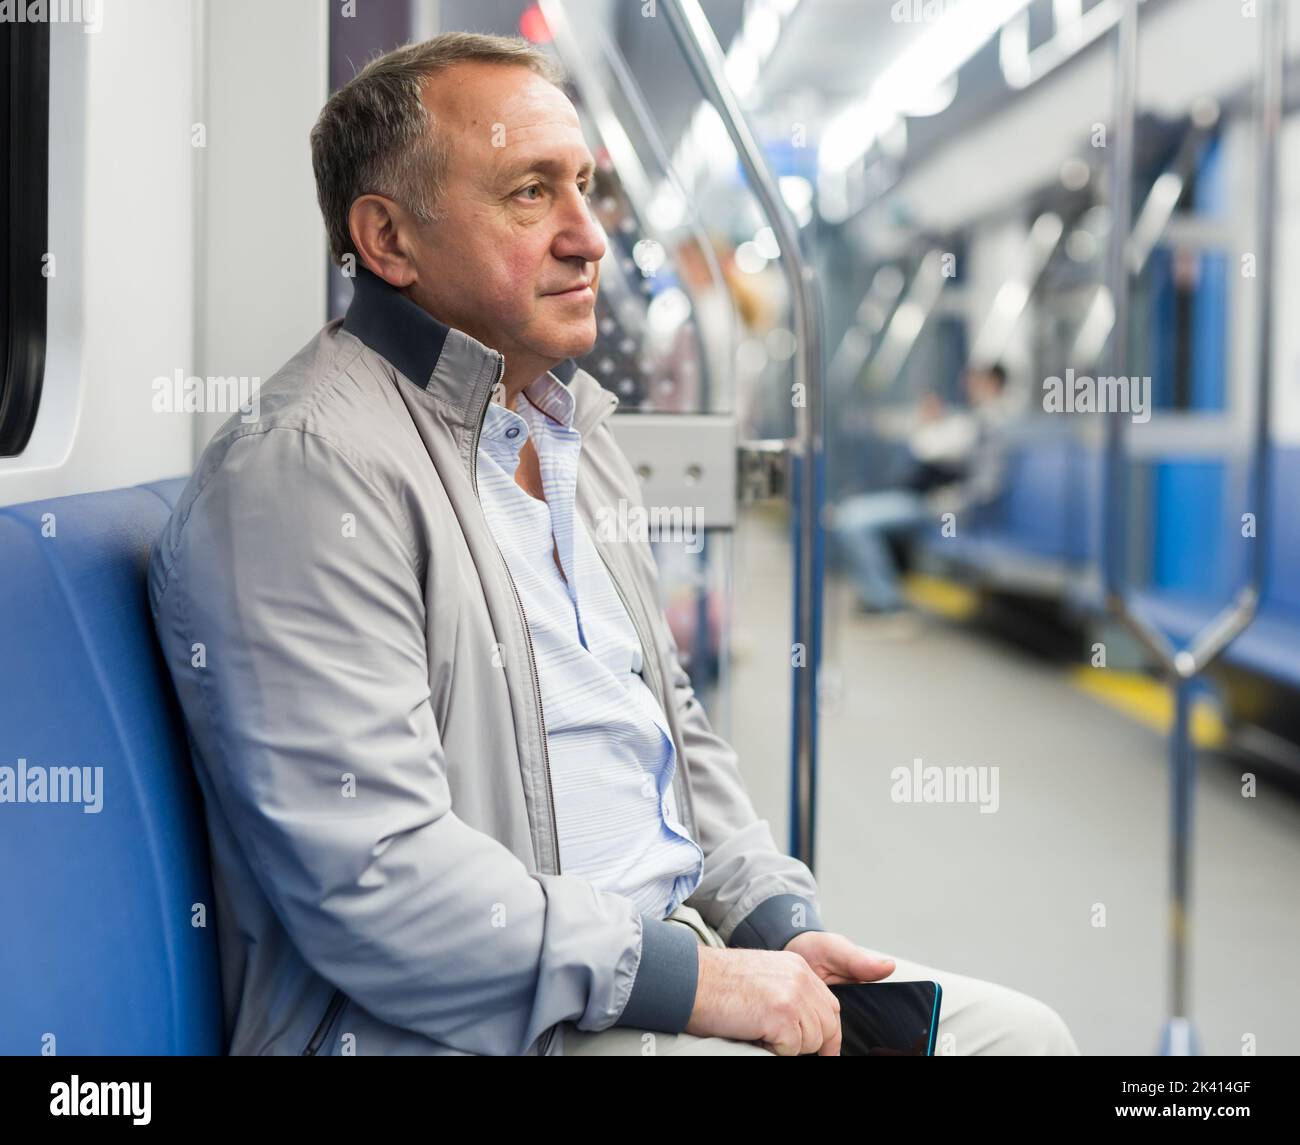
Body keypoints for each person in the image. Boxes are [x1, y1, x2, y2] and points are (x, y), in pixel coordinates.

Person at [147, 33, 1076, 1057]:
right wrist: (696, 979)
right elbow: (378, 876)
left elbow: (673, 726)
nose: (589, 236)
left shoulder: (570, 433)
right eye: (530, 192)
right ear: (389, 239)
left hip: (651, 968)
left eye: (585, 186)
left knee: (1023, 1034)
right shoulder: (309, 473)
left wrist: (773, 919)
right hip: (478, 1025)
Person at [831, 364, 1013, 614]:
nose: (967, 387)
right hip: (927, 501)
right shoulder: (973, 420)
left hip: (937, 509)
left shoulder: (989, 424)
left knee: (850, 520)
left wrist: (949, 506)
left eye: (975, 382)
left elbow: (983, 486)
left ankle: (885, 600)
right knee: (849, 513)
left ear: (991, 384)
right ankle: (878, 594)